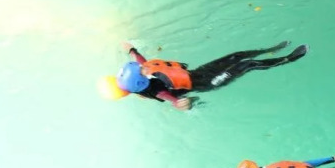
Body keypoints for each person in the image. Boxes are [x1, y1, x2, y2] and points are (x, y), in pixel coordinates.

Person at [98, 41, 308, 111]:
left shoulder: (139, 73)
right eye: (141, 71)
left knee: (237, 55)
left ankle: (272, 49)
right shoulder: (155, 90)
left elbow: (141, 61)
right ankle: (289, 58)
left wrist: (131, 50)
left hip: (198, 72)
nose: (143, 68)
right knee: (247, 65)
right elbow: (172, 99)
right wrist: (181, 103)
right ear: (139, 82)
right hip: (206, 82)